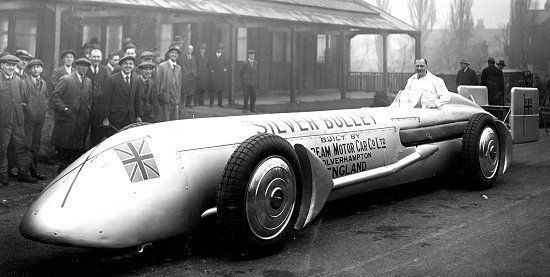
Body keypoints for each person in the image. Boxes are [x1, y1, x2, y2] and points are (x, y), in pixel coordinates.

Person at [50, 58, 92, 172]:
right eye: (81, 65)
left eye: (86, 66)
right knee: (64, 147)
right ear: (76, 66)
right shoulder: (66, 79)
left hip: (81, 120)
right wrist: (65, 109)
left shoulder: (88, 81)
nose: (83, 68)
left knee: (77, 148)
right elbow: (55, 97)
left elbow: (89, 99)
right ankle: (61, 173)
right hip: (67, 119)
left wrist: (87, 109)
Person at [0, 55, 37, 185]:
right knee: (2, 149)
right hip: (3, 122)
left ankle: (23, 173)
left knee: (22, 147)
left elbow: (23, 100)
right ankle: (2, 174)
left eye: (13, 65)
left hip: (18, 121)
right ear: (2, 65)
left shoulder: (19, 81)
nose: (11, 67)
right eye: (8, 65)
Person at [20, 59, 48, 180]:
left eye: (38, 67)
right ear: (29, 70)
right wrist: (28, 113)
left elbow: (45, 99)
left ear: (41, 69)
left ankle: (33, 170)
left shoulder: (43, 83)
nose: (36, 69)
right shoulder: (24, 83)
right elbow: (22, 102)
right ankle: (23, 172)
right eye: (33, 67)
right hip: (28, 120)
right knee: (26, 145)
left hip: (39, 120)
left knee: (35, 146)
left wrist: (43, 112)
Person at [101, 55, 141, 131]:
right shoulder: (112, 79)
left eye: (131, 64)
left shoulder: (136, 80)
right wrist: (105, 118)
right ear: (121, 65)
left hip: (130, 118)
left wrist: (138, 116)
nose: (128, 66)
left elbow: (137, 100)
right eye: (125, 63)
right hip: (115, 118)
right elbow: (106, 100)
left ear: (134, 66)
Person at [86, 49, 109, 147]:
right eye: (94, 57)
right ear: (90, 57)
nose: (96, 59)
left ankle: (93, 149)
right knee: (84, 130)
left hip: (99, 106)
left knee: (97, 131)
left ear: (101, 58)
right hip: (86, 104)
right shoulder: (85, 68)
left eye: (98, 57)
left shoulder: (104, 69)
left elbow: (107, 86)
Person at [155, 45, 182, 122]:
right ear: (169, 54)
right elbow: (158, 83)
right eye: (172, 52)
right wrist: (160, 97)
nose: (174, 55)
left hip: (174, 100)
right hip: (164, 100)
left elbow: (179, 85)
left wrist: (177, 99)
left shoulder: (179, 68)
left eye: (176, 53)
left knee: (173, 122)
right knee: (164, 121)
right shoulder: (162, 66)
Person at [209, 43, 229, 107]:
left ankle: (220, 103)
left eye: (221, 49)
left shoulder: (224, 56)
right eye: (218, 49)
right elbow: (209, 64)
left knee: (220, 89)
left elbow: (227, 64)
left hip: (221, 75)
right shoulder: (212, 56)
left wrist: (225, 69)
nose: (219, 50)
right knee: (213, 89)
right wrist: (211, 70)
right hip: (214, 75)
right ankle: (211, 103)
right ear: (216, 49)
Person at [181, 44, 197, 108]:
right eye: (189, 49)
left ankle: (188, 104)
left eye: (191, 49)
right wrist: (187, 72)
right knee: (184, 90)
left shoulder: (193, 57)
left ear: (192, 50)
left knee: (191, 91)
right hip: (185, 76)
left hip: (192, 76)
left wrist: (194, 73)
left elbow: (195, 66)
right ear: (187, 49)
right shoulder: (183, 57)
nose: (190, 50)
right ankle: (182, 104)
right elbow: (183, 66)